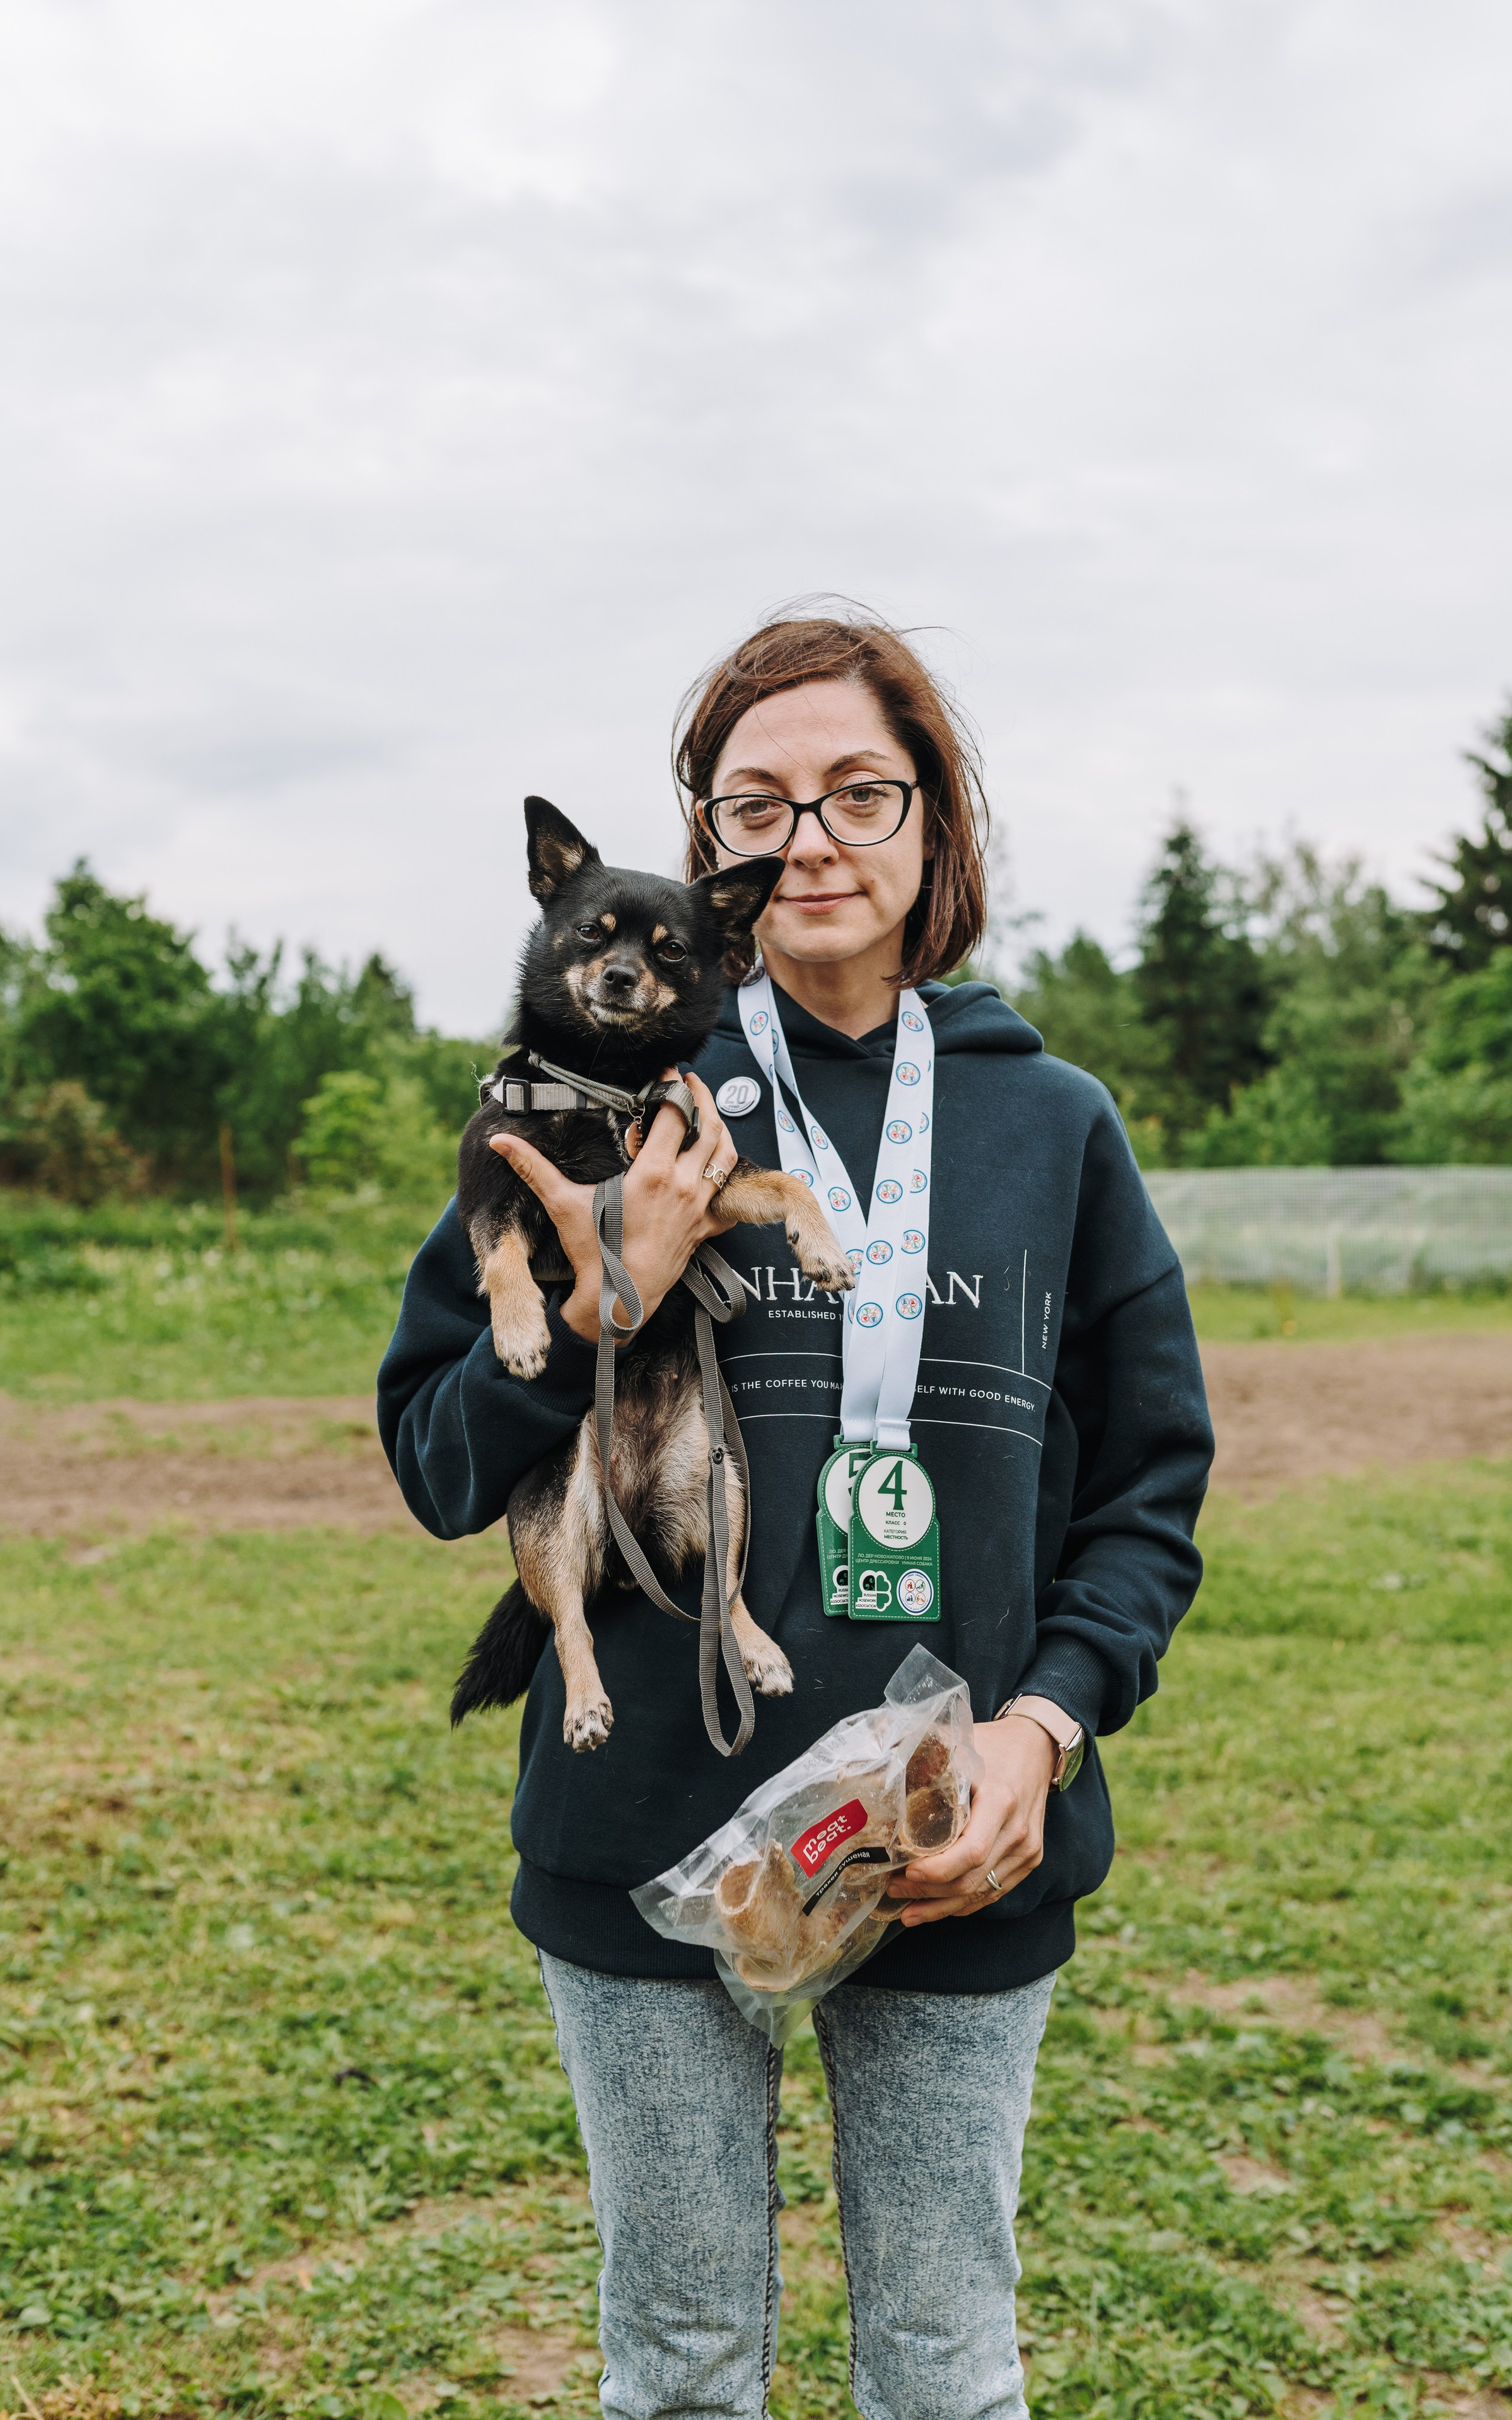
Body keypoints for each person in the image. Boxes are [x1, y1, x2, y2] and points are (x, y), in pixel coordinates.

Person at [378, 612, 1214, 2420]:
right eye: (755, 804)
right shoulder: (599, 1104)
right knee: (678, 2370)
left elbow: (1150, 1490)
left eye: (858, 792)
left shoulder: (1052, 1124)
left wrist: (1048, 1722)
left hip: (949, 1836)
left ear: (936, 826)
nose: (810, 839)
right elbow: (442, 1463)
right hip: (641, 1837)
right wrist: (596, 1307)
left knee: (944, 2366)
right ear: (703, 849)